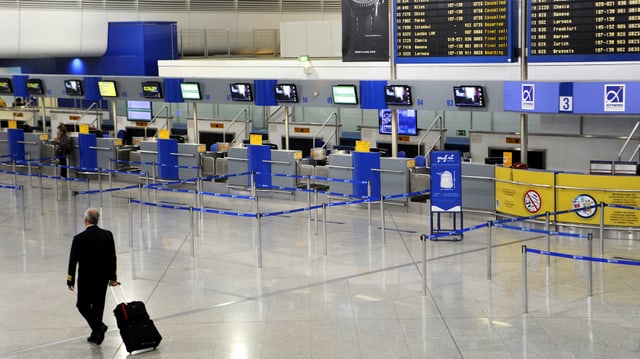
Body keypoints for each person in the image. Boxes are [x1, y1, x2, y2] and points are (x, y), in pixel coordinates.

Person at [67, 208, 119, 345]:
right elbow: (112, 258)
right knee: (98, 306)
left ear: (85, 220)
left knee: (82, 304)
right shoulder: (108, 235)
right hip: (102, 278)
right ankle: (96, 334)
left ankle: (98, 327)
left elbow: (73, 261)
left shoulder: (79, 238)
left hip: (85, 279)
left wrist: (70, 279)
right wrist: (113, 278)